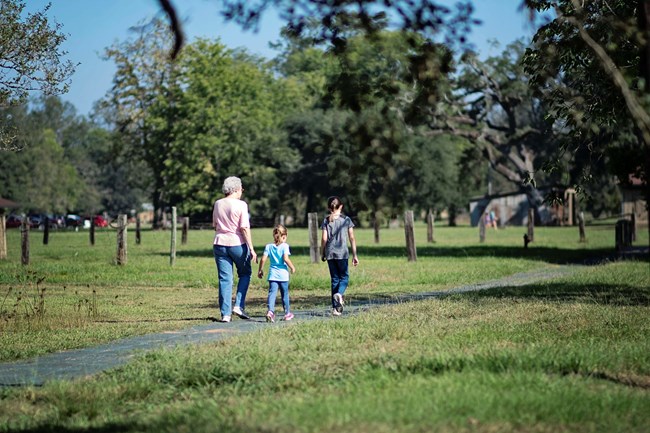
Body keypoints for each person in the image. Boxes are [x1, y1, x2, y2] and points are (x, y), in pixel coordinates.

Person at [212, 176, 257, 323]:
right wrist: (251, 248)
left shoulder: (218, 204)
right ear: (237, 189)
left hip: (219, 243)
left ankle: (225, 314)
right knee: (245, 273)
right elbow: (244, 227)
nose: (242, 192)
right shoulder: (241, 205)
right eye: (242, 189)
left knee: (225, 279)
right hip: (237, 243)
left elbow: (215, 225)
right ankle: (238, 305)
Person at [320, 196, 359, 316]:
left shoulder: (326, 220)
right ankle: (340, 294)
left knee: (334, 279)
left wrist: (322, 252)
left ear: (328, 207)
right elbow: (352, 238)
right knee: (344, 278)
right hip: (342, 253)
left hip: (330, 253)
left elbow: (324, 239)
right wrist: (355, 255)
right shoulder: (346, 220)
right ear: (341, 206)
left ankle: (335, 308)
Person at [257, 224, 296, 323]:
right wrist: (292, 267)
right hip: (283, 275)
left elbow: (263, 259)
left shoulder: (269, 246)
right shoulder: (285, 246)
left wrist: (260, 270)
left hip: (273, 275)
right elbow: (285, 259)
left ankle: (270, 312)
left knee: (272, 293)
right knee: (285, 294)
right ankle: (287, 313)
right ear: (284, 236)